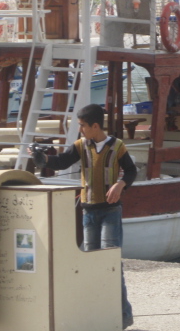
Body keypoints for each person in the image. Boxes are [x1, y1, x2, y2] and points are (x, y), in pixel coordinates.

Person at [30, 104, 136, 329]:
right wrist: (43, 159)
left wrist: (121, 183)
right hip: (88, 211)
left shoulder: (117, 146)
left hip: (110, 211)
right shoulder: (80, 146)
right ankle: (96, 312)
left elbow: (132, 171)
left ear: (95, 126)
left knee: (110, 262)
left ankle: (124, 316)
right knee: (89, 262)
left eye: (82, 126)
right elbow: (62, 162)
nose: (80, 130)